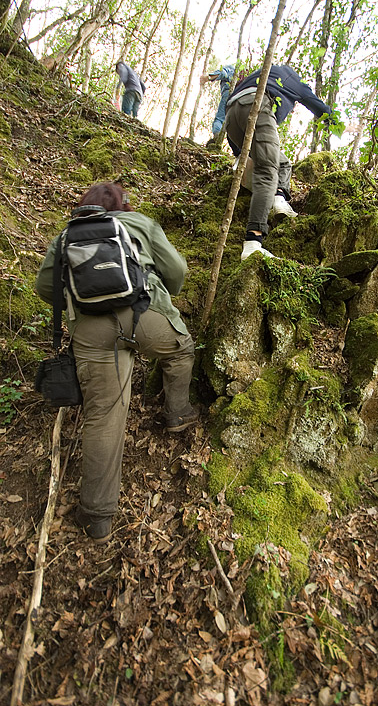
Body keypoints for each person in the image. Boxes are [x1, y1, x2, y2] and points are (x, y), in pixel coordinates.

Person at [36, 183, 197, 543]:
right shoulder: (139, 223)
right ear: (122, 204)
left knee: (105, 416)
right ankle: (177, 412)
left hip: (91, 332)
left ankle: (97, 517)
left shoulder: (66, 237)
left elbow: (45, 288)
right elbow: (177, 272)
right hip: (144, 315)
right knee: (181, 349)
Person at [225, 64, 334, 260]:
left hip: (231, 114)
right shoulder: (293, 77)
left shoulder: (264, 72)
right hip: (257, 105)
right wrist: (336, 122)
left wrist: (239, 154)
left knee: (281, 163)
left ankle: (278, 199)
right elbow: (318, 106)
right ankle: (253, 242)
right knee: (267, 171)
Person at [200, 64, 235, 146]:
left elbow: (223, 73)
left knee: (219, 119)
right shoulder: (244, 74)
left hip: (229, 94)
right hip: (240, 98)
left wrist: (207, 78)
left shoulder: (230, 69)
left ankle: (216, 140)